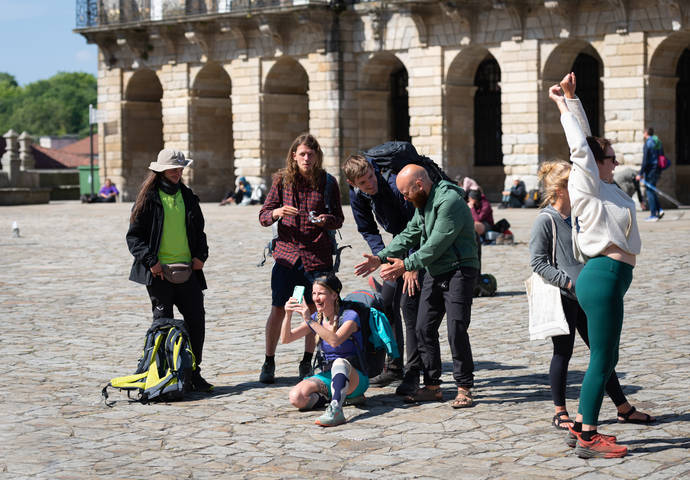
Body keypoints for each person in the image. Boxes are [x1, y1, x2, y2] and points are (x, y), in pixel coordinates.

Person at [550, 72, 652, 459]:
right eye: (611, 158)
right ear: (596, 164)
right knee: (603, 358)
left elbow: (589, 143)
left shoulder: (607, 186)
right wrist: (562, 106)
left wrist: (575, 100)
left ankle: (581, 426)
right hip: (603, 275)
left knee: (606, 356)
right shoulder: (587, 181)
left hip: (611, 278)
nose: (616, 161)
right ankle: (589, 434)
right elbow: (581, 148)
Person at [529, 159, 654, 440]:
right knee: (563, 352)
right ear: (562, 189)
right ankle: (560, 411)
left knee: (602, 351)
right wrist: (568, 281)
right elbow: (538, 263)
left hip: (587, 293)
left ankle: (622, 407)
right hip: (563, 295)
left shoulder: (579, 215)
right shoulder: (545, 220)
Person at [354, 164, 479, 409]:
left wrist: (406, 264)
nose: (404, 197)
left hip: (460, 270)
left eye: (406, 193)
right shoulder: (423, 204)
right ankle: (432, 386)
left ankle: (464, 387)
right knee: (423, 328)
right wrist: (381, 257)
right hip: (436, 270)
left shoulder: (449, 201)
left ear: (419, 185)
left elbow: (435, 245)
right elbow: (408, 235)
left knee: (456, 329)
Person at [258, 133, 345, 384]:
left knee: (316, 310)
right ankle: (269, 360)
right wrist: (277, 212)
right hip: (287, 258)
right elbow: (263, 216)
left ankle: (307, 361)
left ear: (317, 156)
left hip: (317, 258)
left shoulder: (329, 182)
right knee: (278, 309)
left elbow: (338, 218)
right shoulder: (281, 181)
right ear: (294, 156)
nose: (307, 158)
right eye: (302, 154)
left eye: (311, 154)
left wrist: (324, 220)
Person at [126, 148, 213, 392]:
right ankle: (165, 374)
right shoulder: (147, 199)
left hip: (188, 272)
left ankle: (193, 372)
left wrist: (200, 256)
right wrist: (151, 261)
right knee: (163, 325)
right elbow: (134, 238)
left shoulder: (188, 196)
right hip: (158, 274)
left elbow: (200, 233)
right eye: (173, 168)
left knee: (196, 322)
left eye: (180, 168)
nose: (177, 172)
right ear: (161, 171)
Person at [343, 154, 422, 396]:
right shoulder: (357, 196)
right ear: (353, 185)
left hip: (419, 244)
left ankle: (414, 370)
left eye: (371, 176)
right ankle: (395, 364)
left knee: (410, 307)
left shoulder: (393, 185)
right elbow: (367, 228)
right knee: (386, 302)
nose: (371, 183)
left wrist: (409, 265)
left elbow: (417, 224)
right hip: (397, 247)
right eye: (364, 182)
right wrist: (382, 257)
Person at [281, 274, 369, 427]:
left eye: (320, 293)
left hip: (355, 377)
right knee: (297, 398)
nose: (316, 298)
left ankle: (336, 410)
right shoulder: (318, 318)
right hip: (328, 375)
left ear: (334, 295)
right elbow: (286, 338)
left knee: (340, 363)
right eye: (314, 293)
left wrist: (309, 320)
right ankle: (338, 398)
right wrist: (287, 315)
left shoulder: (350, 316)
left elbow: (335, 341)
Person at [636, 127, 665, 221]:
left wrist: (640, 173)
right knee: (652, 189)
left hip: (650, 170)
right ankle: (659, 210)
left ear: (645, 133)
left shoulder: (648, 143)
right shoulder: (658, 142)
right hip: (657, 169)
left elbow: (645, 160)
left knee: (649, 191)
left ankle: (653, 215)